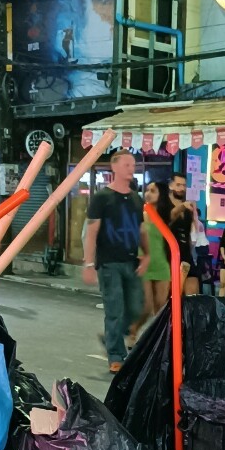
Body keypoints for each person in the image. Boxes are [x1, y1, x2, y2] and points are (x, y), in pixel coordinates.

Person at [82, 150, 149, 374]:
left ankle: (112, 336)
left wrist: (146, 253)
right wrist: (89, 264)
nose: (131, 168)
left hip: (131, 260)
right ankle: (116, 355)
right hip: (109, 263)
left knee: (136, 307)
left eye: (133, 165)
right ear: (114, 167)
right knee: (115, 309)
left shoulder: (136, 198)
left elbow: (141, 230)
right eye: (127, 164)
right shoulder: (102, 198)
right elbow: (91, 233)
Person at [138, 181, 172, 325]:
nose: (148, 194)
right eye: (147, 190)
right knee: (146, 306)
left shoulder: (166, 216)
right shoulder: (139, 213)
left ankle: (158, 342)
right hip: (143, 263)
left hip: (161, 263)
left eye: (153, 191)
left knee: (161, 307)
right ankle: (132, 335)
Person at [169, 173, 200, 296]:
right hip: (169, 254)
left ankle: (188, 315)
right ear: (171, 186)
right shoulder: (166, 206)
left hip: (186, 253)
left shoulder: (188, 208)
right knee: (173, 296)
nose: (181, 188)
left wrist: (195, 215)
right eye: (178, 185)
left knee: (193, 295)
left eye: (183, 185)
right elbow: (169, 218)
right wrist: (182, 206)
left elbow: (194, 233)